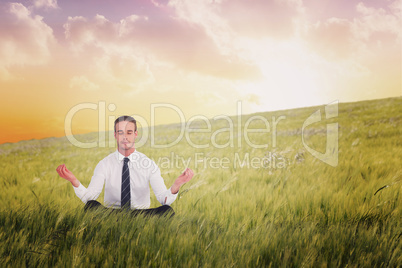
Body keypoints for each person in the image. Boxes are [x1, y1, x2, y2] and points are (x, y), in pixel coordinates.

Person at [56, 115, 194, 217]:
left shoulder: (148, 164)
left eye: (129, 132)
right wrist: (74, 181)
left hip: (141, 215)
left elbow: (164, 200)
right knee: (91, 206)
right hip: (112, 214)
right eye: (120, 132)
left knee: (167, 211)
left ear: (135, 135)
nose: (125, 137)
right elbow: (90, 197)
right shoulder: (104, 164)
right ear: (115, 135)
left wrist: (177, 184)